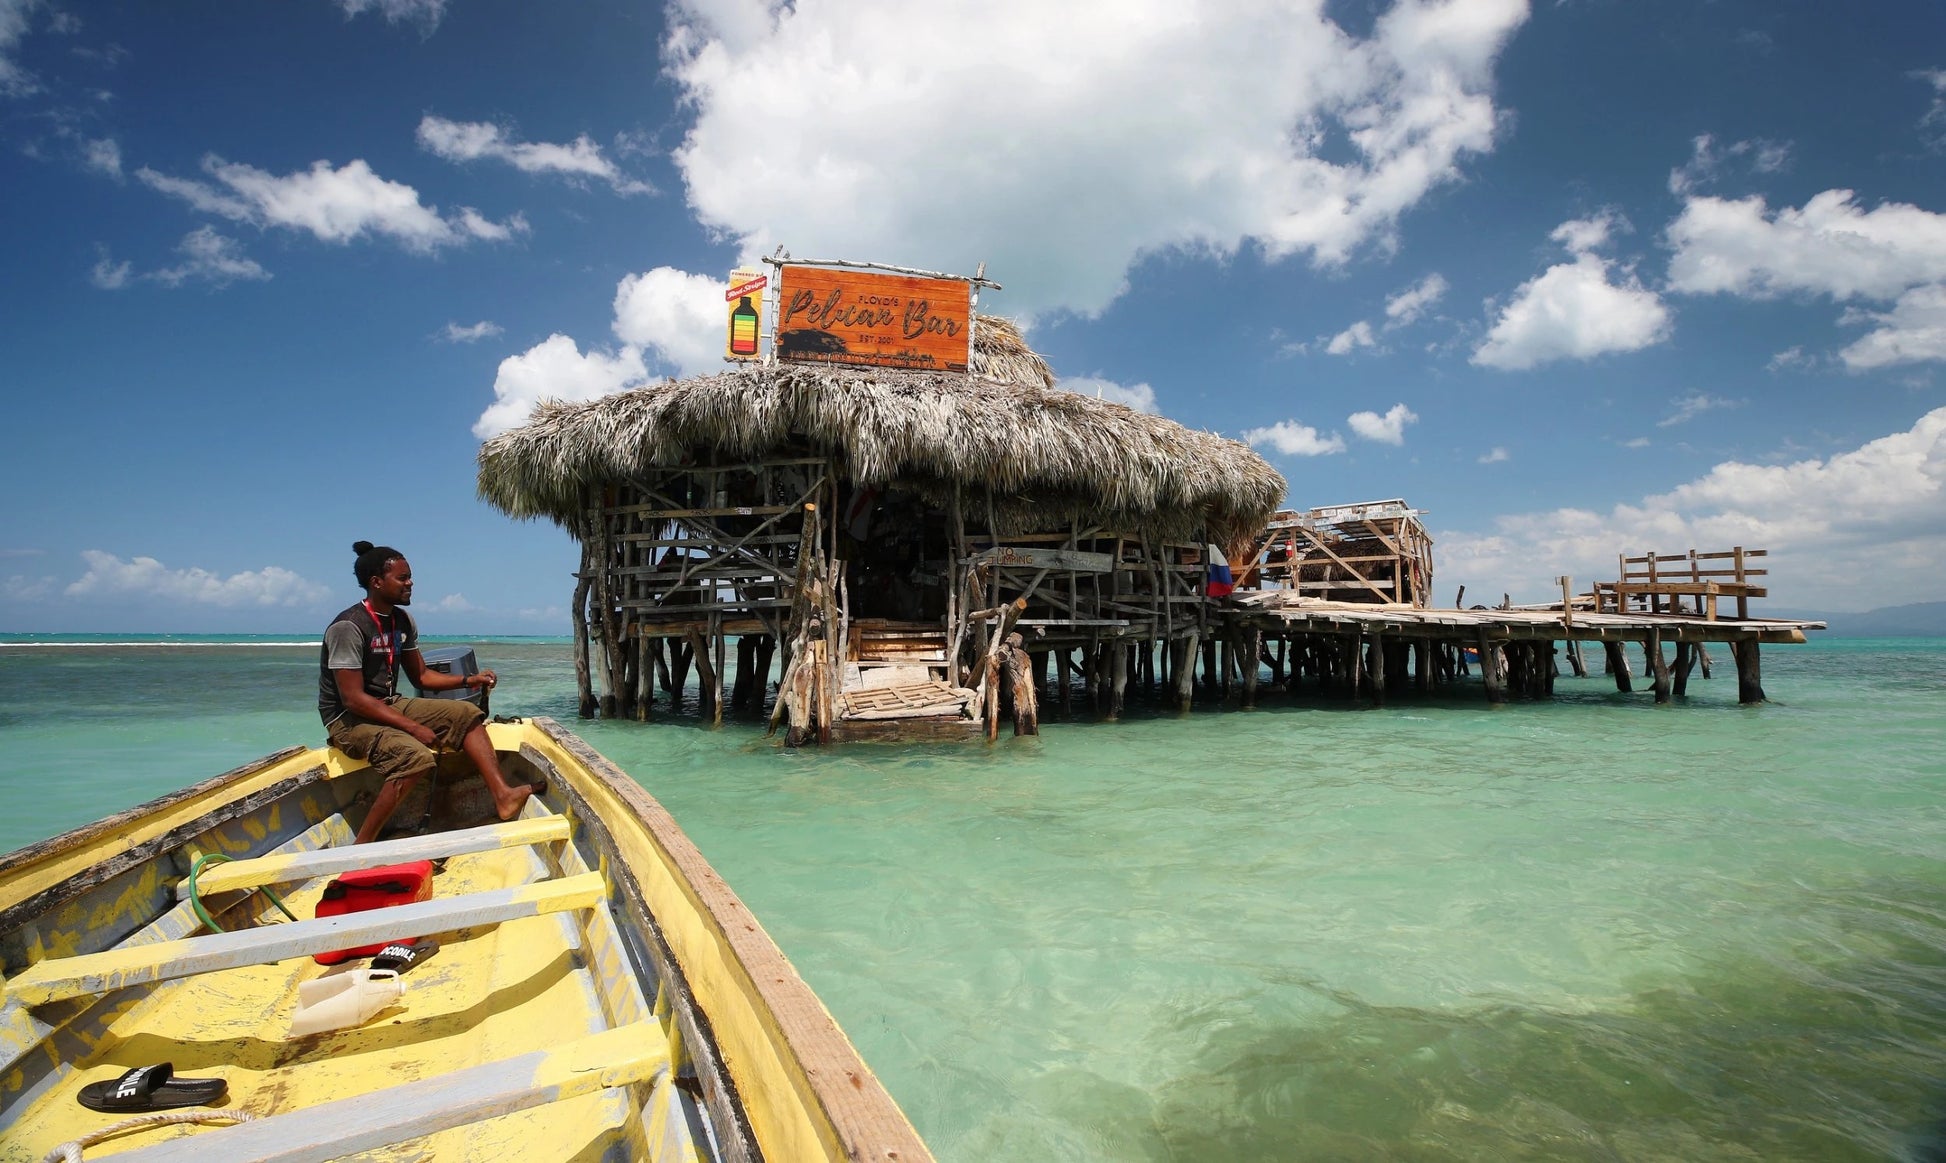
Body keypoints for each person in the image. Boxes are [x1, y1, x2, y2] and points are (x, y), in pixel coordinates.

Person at [320, 541, 532, 843]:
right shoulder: (348, 627)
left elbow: (421, 675)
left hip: (387, 704)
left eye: (410, 577)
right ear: (376, 583)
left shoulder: (401, 620)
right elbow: (352, 698)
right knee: (414, 757)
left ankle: (503, 795)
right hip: (347, 718)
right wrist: (413, 727)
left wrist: (469, 680)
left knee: (467, 715)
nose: (410, 583)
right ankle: (361, 845)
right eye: (402, 578)